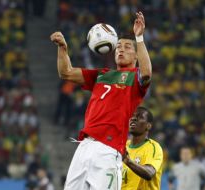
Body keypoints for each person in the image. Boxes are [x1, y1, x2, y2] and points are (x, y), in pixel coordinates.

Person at [50, 11, 152, 190]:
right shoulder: (102, 75)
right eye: (118, 46)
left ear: (136, 56)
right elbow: (65, 72)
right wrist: (62, 48)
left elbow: (147, 73)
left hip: (109, 148)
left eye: (128, 47)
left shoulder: (135, 79)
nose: (121, 49)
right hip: (85, 145)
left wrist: (139, 37)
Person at [121, 106, 163, 190]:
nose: (133, 119)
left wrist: (128, 161)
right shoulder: (122, 145)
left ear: (148, 126)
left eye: (140, 117)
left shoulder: (153, 147)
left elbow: (149, 173)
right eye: (132, 116)